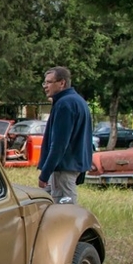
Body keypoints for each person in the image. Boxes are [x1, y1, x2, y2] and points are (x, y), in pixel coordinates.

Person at [38, 66, 93, 204]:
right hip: (70, 165)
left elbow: (59, 144)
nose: (45, 86)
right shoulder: (77, 101)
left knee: (65, 211)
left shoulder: (65, 104)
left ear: (62, 83)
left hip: (64, 168)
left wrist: (44, 174)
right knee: (43, 201)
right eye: (45, 83)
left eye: (49, 82)